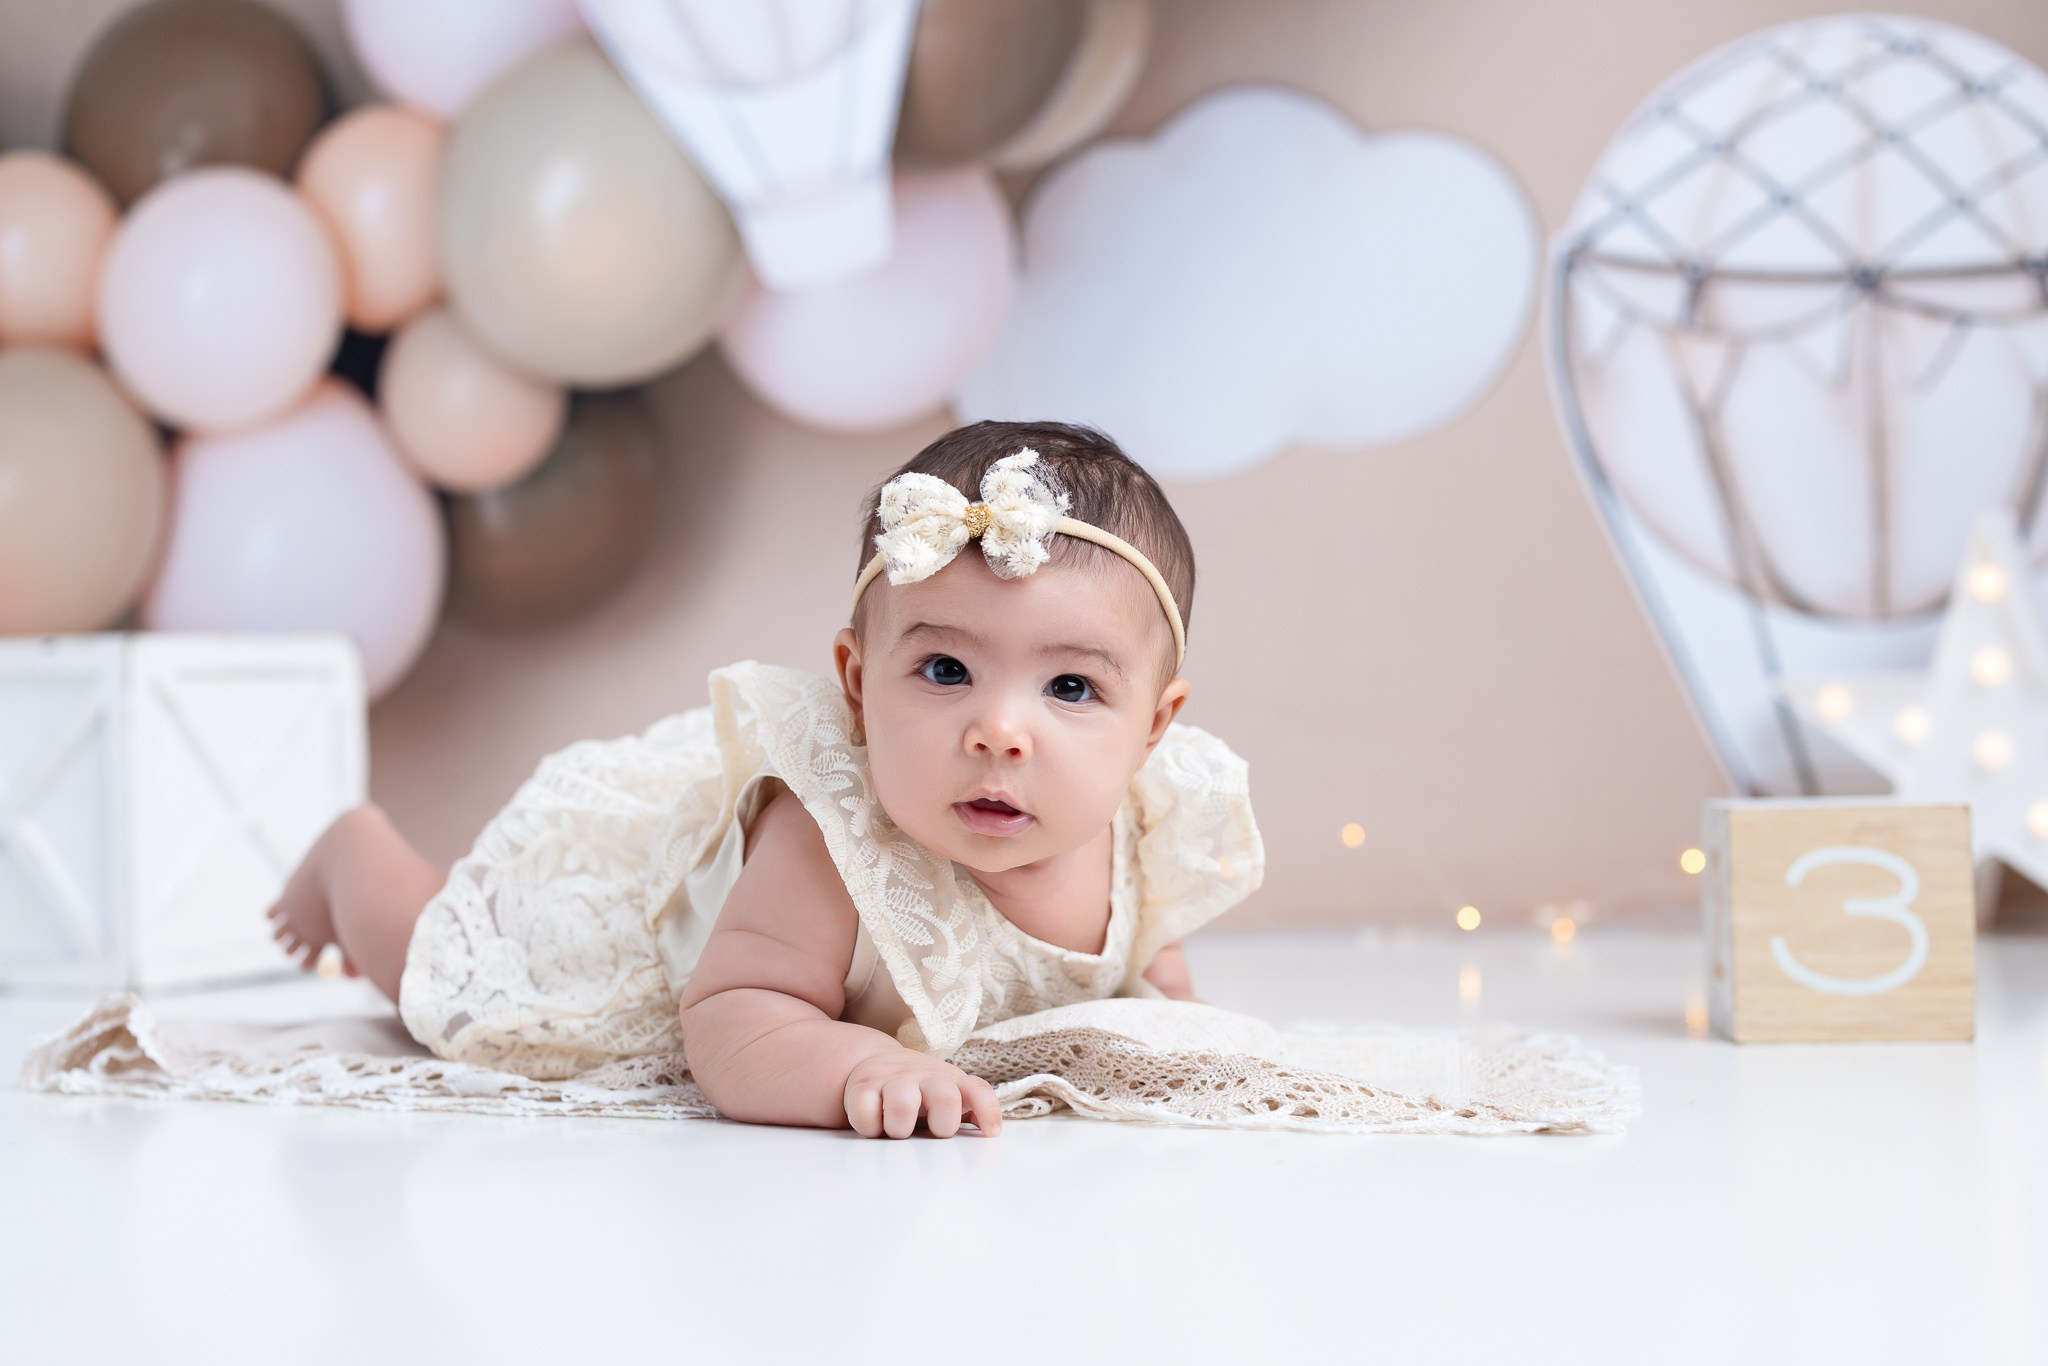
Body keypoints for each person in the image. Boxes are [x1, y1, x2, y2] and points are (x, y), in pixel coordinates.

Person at [265, 421, 1265, 1140]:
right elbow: (733, 1018)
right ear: (857, 686)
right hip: (637, 950)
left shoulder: (1138, 820)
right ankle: (357, 860)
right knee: (442, 980)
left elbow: (1142, 958)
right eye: (946, 671)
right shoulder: (829, 840)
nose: (1000, 731)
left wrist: (1175, 1019)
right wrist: (853, 1063)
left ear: (1152, 728)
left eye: (1070, 687)